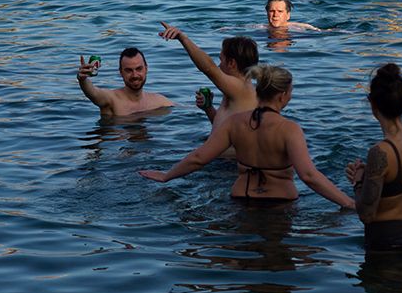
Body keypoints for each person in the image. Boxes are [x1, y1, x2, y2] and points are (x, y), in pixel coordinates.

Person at [139, 64, 354, 208]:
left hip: (239, 202)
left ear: (258, 92)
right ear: (283, 95)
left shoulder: (234, 123)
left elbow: (199, 158)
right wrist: (350, 203)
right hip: (279, 207)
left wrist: (167, 175)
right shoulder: (289, 129)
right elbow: (308, 176)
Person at [346, 64, 402, 252]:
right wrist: (369, 174)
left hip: (386, 242)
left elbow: (366, 214)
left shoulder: (380, 151)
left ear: (372, 103)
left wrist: (358, 182)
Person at [157, 25, 258, 133]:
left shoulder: (241, 88)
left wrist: (183, 38)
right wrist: (208, 108)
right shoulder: (235, 91)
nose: (219, 66)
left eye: (221, 60)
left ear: (231, 63)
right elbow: (222, 129)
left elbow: (209, 68)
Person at [77, 47, 172, 116]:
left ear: (146, 69)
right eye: (129, 70)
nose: (135, 75)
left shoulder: (159, 101)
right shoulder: (112, 100)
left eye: (139, 69)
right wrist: (83, 80)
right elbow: (93, 92)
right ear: (121, 72)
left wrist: (180, 37)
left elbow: (181, 114)